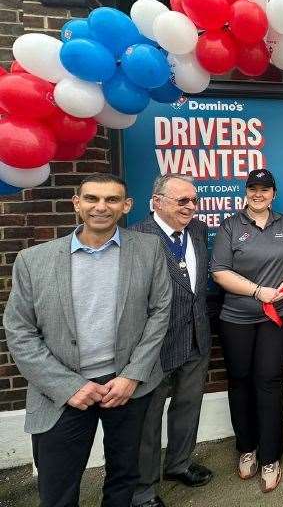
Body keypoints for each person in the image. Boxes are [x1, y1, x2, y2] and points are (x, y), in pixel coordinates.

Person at [3, 173, 172, 507]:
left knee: (125, 477)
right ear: (76, 204)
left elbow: (160, 312)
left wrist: (132, 374)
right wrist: (68, 386)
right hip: (63, 391)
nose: (101, 207)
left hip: (127, 387)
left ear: (127, 206)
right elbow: (20, 332)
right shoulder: (33, 261)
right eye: (92, 199)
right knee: (58, 487)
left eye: (111, 200)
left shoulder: (149, 250)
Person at [211, 168, 283, 493]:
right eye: (253, 189)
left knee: (268, 380)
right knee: (240, 381)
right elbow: (219, 272)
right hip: (237, 317)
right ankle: (246, 449)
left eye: (265, 189)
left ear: (273, 194)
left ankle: (270, 456)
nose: (259, 194)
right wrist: (257, 291)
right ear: (246, 192)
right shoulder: (231, 226)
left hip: (278, 315)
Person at [131, 174, 213, 507]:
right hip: (155, 346)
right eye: (183, 201)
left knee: (187, 406)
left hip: (196, 337)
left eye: (194, 200)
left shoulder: (198, 230)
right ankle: (142, 489)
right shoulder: (136, 237)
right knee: (147, 420)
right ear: (157, 201)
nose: (191, 207)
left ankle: (179, 464)